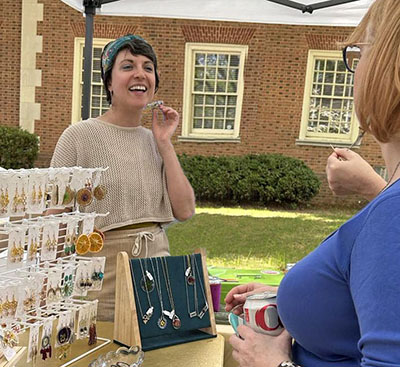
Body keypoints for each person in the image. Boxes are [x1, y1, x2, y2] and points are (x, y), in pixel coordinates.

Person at [225, 1, 400, 366]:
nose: (355, 67)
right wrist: (298, 295)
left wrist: (272, 363)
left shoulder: (393, 214)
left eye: (361, 51)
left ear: (389, 68)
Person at [50, 34, 195, 321]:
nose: (140, 74)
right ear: (108, 83)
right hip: (100, 282)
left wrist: (165, 143)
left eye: (148, 67)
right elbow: (54, 217)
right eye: (128, 66)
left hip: (156, 276)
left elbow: (186, 210)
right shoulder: (79, 136)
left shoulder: (156, 141)